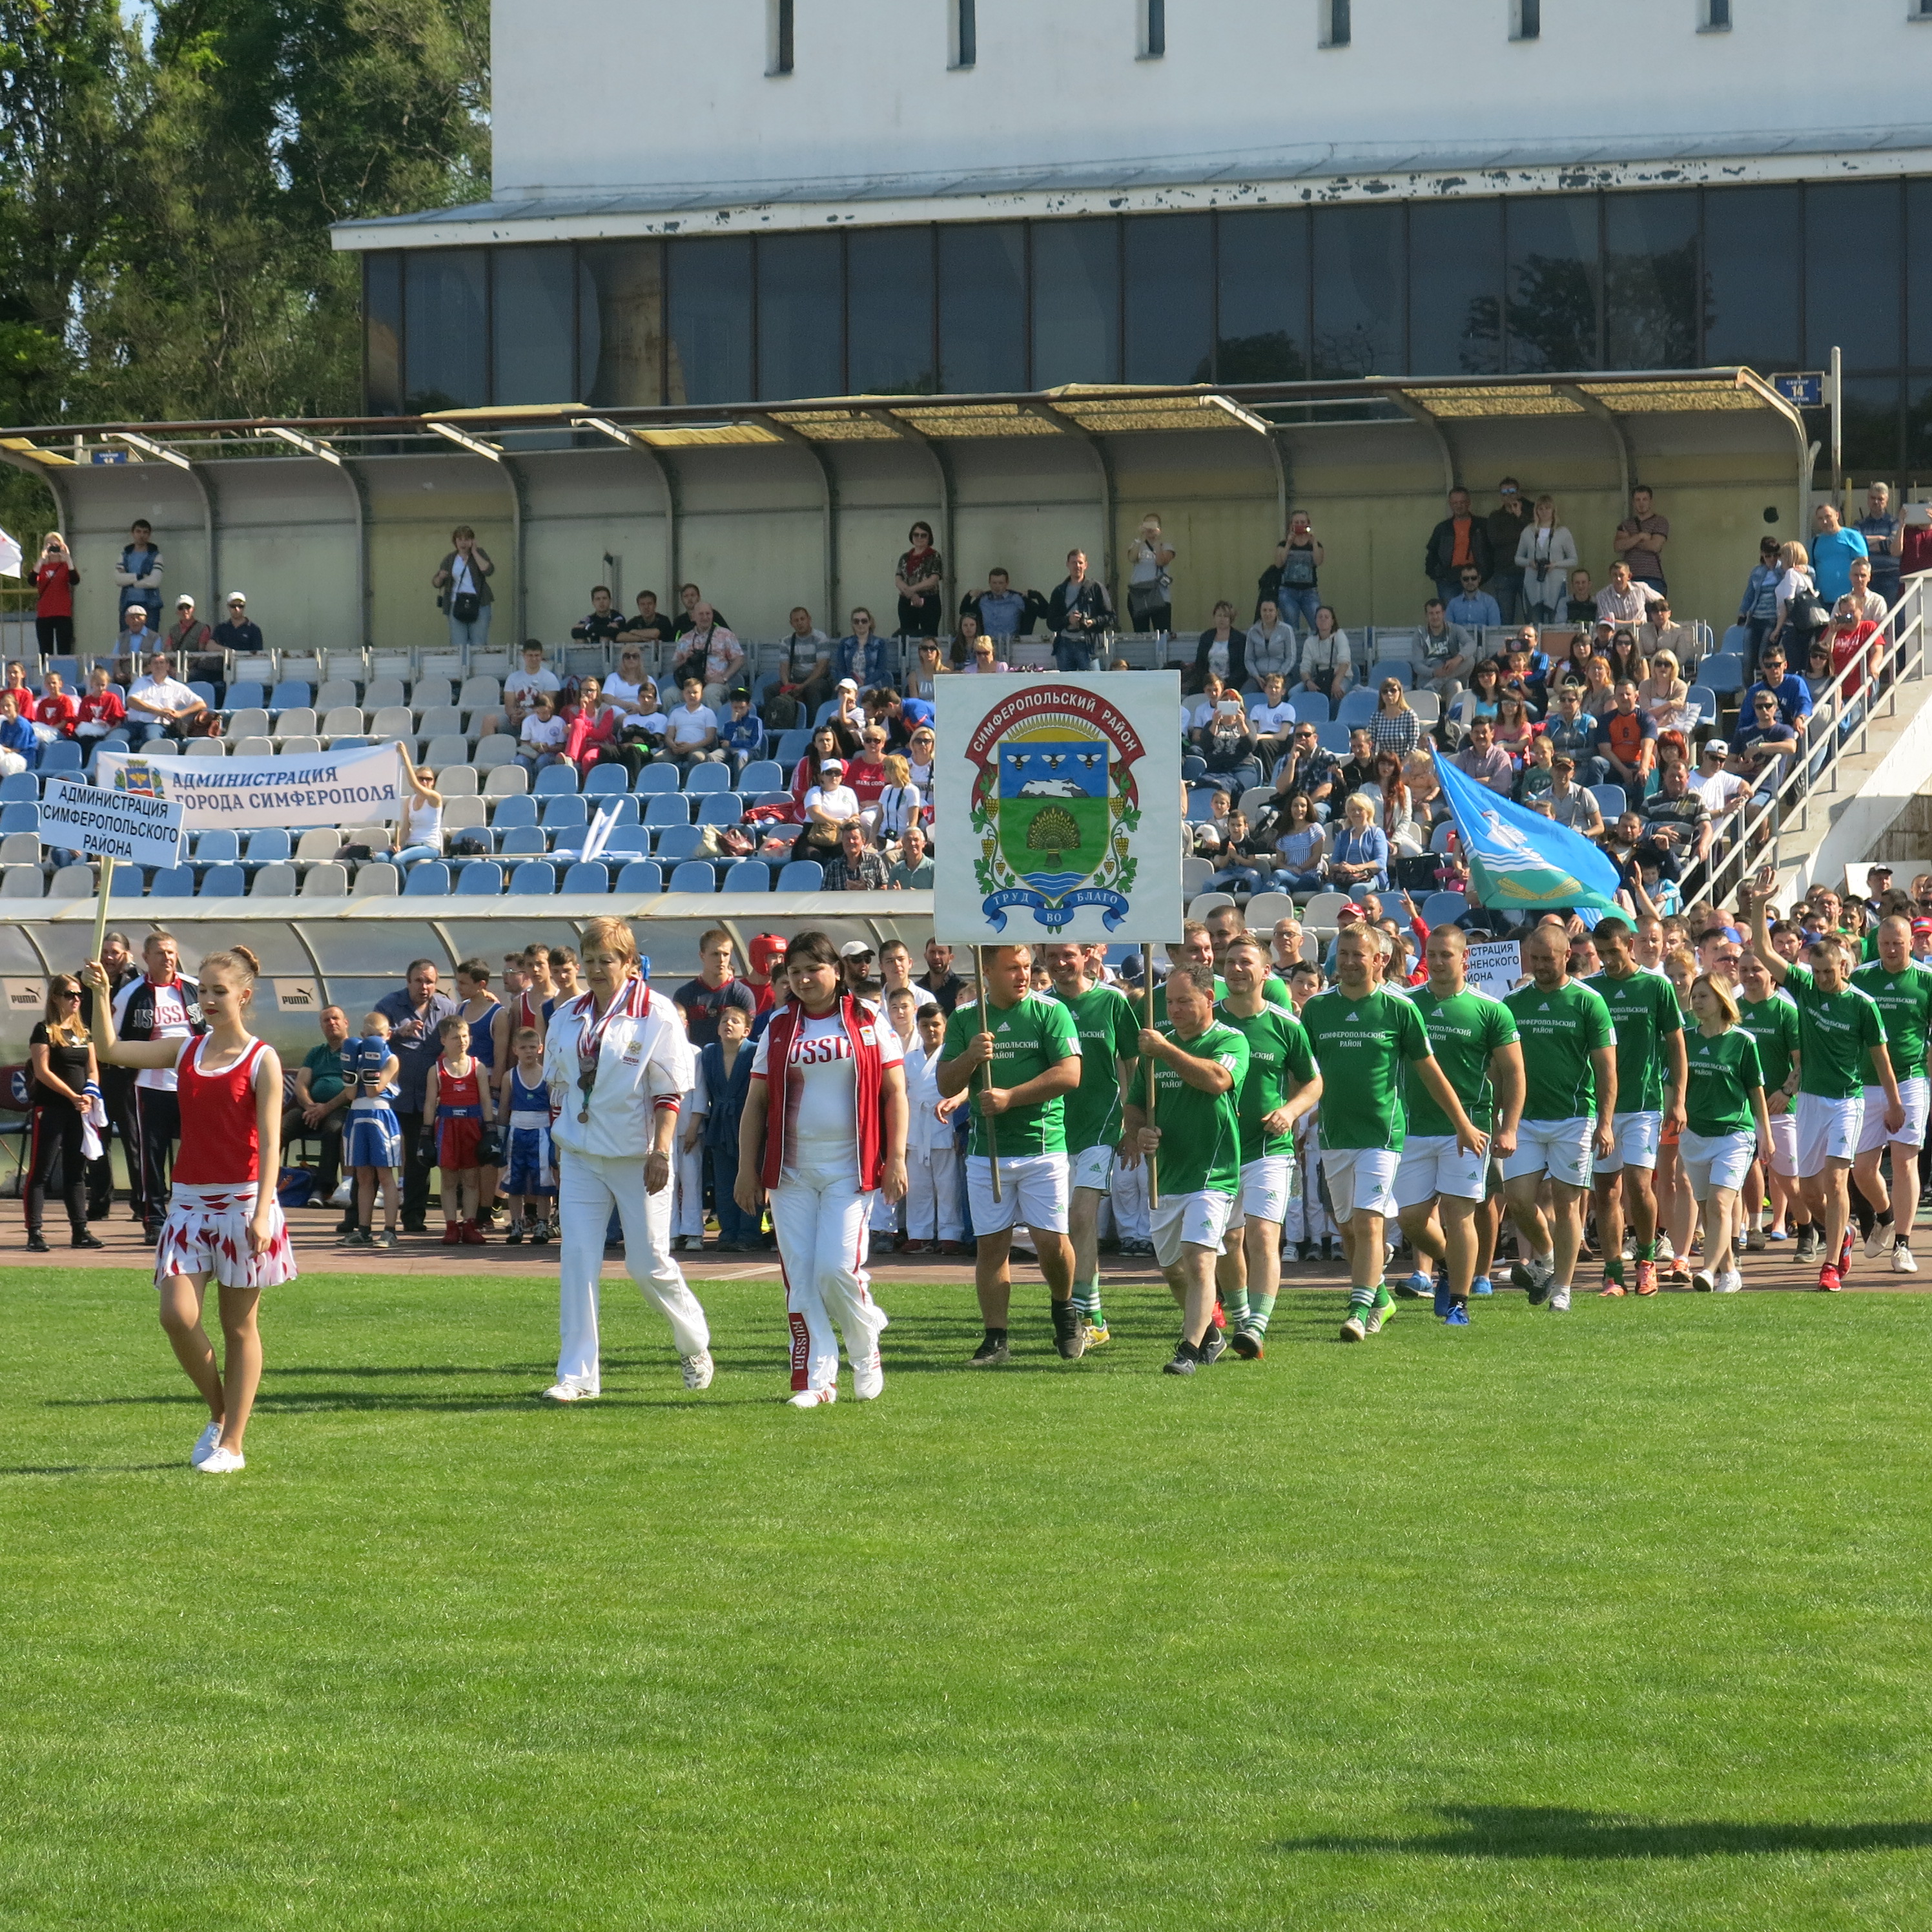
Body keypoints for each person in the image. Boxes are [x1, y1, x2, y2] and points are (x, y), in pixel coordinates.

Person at [84, 945, 292, 1476]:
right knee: (177, 1316)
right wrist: (102, 994)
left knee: (238, 1326)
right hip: (189, 1206)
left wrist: (264, 1210)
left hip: (245, 1203)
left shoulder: (262, 1058)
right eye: (203, 991)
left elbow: (271, 1143)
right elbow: (109, 1049)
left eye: (220, 991)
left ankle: (235, 1445)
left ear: (245, 996)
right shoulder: (184, 1050)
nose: (210, 999)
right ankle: (222, 1416)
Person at [542, 918, 714, 1400]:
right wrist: (560, 1143)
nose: (597, 970)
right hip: (580, 1157)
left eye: (607, 961)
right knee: (576, 1258)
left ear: (630, 963)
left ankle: (693, 1340)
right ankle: (577, 1376)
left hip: (639, 1160)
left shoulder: (656, 1013)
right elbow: (558, 1086)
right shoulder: (565, 1015)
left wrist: (661, 1152)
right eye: (590, 960)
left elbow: (670, 1092)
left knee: (648, 1264)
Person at [732, 930, 905, 1405]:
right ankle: (816, 1382)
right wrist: (748, 1170)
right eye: (796, 971)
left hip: (853, 1168)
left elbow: (895, 1094)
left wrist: (898, 1160)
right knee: (801, 1278)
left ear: (837, 971)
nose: (806, 979)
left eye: (815, 968)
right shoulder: (778, 1026)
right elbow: (756, 1102)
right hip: (791, 1173)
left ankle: (865, 1341)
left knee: (835, 1269)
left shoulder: (869, 1019)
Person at [1299, 923, 1482, 1337]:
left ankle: (1359, 1311)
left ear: (1380, 960)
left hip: (1383, 1135)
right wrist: (1295, 1117)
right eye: (1342, 954)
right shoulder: (1316, 1009)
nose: (1348, 962)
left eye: (1357, 955)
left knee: (1368, 1224)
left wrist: (1463, 1124)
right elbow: (1302, 1075)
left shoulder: (1400, 1009)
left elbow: (1431, 1073)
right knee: (1346, 1228)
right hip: (1334, 1134)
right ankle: (1381, 1299)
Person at [1742, 871, 1899, 1292]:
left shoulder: (1863, 1006)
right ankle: (1842, 1234)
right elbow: (1761, 949)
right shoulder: (1805, 988)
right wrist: (1758, 907)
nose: (1824, 978)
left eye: (1830, 971)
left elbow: (1881, 1060)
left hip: (1847, 1102)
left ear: (1844, 965)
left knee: (1835, 1180)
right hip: (1809, 1101)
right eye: (1818, 971)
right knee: (1809, 1193)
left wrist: (1895, 1103)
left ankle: (1830, 1266)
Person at [937, 943, 1084, 1364]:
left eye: (1026, 967)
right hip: (987, 1151)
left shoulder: (1049, 1011)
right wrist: (970, 1057)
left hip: (1042, 1147)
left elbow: (1070, 1073)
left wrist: (1010, 1098)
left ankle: (1064, 1308)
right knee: (991, 1246)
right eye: (1012, 968)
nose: (1022, 975)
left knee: (1050, 1243)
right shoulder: (967, 1018)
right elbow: (947, 1083)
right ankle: (996, 1337)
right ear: (987, 971)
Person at [1115, 963, 1246, 1376]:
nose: (1174, 1009)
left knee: (1199, 1257)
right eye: (1169, 1002)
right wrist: (1140, 1133)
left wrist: (1165, 1050)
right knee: (1173, 1269)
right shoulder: (1158, 1049)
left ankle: (1187, 1351)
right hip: (1166, 1173)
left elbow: (1217, 1080)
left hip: (1213, 1171)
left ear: (1209, 999)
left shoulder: (1229, 1039)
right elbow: (1133, 1107)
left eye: (1184, 1001)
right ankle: (1209, 1335)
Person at [1390, 926, 1522, 1322]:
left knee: (1459, 1211)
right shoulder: (1406, 1004)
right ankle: (1450, 1262)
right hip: (1412, 1126)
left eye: (1447, 955)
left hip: (1470, 1129)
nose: (1438, 962)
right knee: (1410, 1217)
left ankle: (1459, 1304)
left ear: (1464, 959)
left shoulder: (1491, 1009)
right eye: (1432, 954)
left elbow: (1514, 1072)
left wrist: (1509, 1127)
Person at [1500, 925, 1618, 1314]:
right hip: (1525, 1119)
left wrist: (1605, 1122)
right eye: (1533, 959)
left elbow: (1606, 1069)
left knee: (1569, 1205)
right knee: (1517, 1201)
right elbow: (1498, 1065)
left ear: (1567, 955)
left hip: (1574, 1118)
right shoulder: (1514, 1003)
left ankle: (1563, 1288)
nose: (1539, 966)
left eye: (1547, 959)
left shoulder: (1589, 1002)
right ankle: (1547, 1258)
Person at [1213, 933, 1321, 1355]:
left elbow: (1313, 1082)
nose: (1236, 969)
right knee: (1228, 1240)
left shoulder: (1285, 1024)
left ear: (1266, 971)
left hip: (1268, 1151)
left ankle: (1256, 1325)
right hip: (1219, 1148)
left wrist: (1291, 1112)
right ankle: (1240, 1317)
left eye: (1245, 962)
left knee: (1262, 1235)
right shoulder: (1208, 1022)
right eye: (1230, 962)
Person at [1043, 943, 1142, 1350]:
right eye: (1052, 956)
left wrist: (1132, 1119)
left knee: (1083, 1217)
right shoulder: (1041, 1006)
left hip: (1101, 1127)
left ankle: (1088, 1314)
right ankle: (1090, 1314)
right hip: (1050, 1130)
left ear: (1086, 955)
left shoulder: (1112, 1001)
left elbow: (1133, 1061)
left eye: (1069, 954)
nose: (1062, 963)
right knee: (1060, 1228)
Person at [1585, 916, 1687, 1297]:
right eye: (1601, 953)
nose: (1608, 960)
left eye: (1614, 951)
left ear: (1630, 944)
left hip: (1644, 1103)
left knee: (1640, 1184)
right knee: (1606, 1189)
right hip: (1599, 1107)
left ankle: (1647, 1260)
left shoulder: (1655, 985)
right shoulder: (1589, 991)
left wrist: (1678, 1099)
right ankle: (1613, 1272)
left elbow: (1676, 1044)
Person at [1678, 972, 1773, 1295]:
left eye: (1704, 995)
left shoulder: (1743, 1041)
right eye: (1695, 996)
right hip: (1694, 1134)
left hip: (1734, 1135)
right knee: (1706, 1207)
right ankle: (1730, 1271)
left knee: (1720, 1203)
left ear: (1721, 999)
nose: (1697, 1002)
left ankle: (1706, 1270)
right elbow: (1672, 1082)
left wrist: (1766, 1134)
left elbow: (1755, 1091)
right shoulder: (1685, 1039)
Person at [1849, 914, 1932, 1274]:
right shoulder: (1862, 978)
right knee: (1863, 1169)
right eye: (1885, 944)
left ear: (1911, 942)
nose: (1892, 950)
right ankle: (1884, 1214)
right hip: (1865, 1082)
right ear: (1877, 944)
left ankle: (1902, 1243)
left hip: (1911, 1080)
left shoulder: (1926, 981)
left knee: (1904, 1162)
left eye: (1898, 943)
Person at [113, 932, 205, 1240]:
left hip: (192, 1085)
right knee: (151, 1155)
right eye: (161, 953)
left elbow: (215, 1029)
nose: (167, 958)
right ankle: (154, 1219)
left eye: (171, 952)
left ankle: (194, 1212)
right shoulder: (131, 994)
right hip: (150, 1086)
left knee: (196, 1149)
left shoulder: (193, 988)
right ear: (146, 958)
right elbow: (114, 1040)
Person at [374, 960, 460, 1234]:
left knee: (419, 1158)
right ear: (407, 981)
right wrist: (398, 1033)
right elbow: (371, 1039)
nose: (424, 987)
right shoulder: (389, 1006)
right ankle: (359, 1218)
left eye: (430, 981)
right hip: (392, 1098)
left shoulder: (447, 1008)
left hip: (428, 1100)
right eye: (419, 981)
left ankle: (413, 1217)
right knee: (379, 1157)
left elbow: (460, 1040)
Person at [25, 975, 103, 1252]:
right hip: (52, 1108)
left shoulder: (84, 1032)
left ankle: (80, 1230)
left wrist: (90, 1093)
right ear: (56, 997)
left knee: (76, 1171)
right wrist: (71, 1096)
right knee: (41, 1171)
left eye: (79, 995)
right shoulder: (44, 1031)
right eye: (70, 994)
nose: (76, 1000)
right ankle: (35, 1232)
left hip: (78, 1112)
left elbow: (92, 1068)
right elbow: (42, 1072)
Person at [1738, 948, 1807, 1254]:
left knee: (1788, 1180)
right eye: (1745, 970)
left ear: (1772, 976)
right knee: (1741, 1174)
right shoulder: (1731, 1009)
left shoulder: (1786, 1012)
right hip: (1740, 1110)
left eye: (1757, 969)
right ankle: (1745, 1234)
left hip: (1780, 1109)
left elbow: (1802, 1061)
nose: (1751, 976)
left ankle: (1807, 1230)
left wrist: (1786, 1091)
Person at [901, 1002, 965, 1253]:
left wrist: (959, 1126)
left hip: (944, 1125)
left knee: (948, 1185)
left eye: (936, 1024)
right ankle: (920, 1234)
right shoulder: (909, 1059)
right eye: (925, 1025)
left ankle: (951, 1234)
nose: (930, 1030)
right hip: (916, 1127)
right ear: (918, 1028)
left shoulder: (954, 1056)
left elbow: (963, 1090)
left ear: (945, 1027)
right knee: (918, 1186)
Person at [425, 1015, 492, 1245]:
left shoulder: (477, 1067)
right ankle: (451, 1226)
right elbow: (429, 1102)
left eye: (465, 1036)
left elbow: (485, 1099)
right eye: (455, 1037)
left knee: (472, 1178)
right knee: (449, 1179)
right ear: (444, 1040)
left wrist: (490, 1129)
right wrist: (426, 1133)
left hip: (472, 1126)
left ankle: (470, 1224)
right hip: (447, 1126)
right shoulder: (436, 1069)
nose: (461, 1041)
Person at [342, 1016, 403, 1249]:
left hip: (380, 1117)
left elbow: (372, 1090)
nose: (372, 1040)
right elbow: (349, 1096)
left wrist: (370, 1060)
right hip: (357, 1118)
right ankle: (363, 1230)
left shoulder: (392, 1060)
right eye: (368, 1036)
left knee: (385, 1176)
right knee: (364, 1177)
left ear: (388, 1035)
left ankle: (390, 1231)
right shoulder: (356, 1058)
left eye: (377, 1036)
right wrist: (350, 1067)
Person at [289, 1005, 355, 1221]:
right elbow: (301, 1083)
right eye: (326, 1020)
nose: (331, 1023)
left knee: (333, 1130)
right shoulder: (316, 1053)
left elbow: (352, 1090)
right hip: (312, 1108)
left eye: (336, 1019)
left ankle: (323, 1188)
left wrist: (326, 1108)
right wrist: (309, 1106)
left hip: (342, 1109)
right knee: (279, 1128)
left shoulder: (355, 1050)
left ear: (346, 1023)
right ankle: (265, 1183)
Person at [500, 1027, 556, 1245]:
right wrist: (500, 1137)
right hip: (517, 1131)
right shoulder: (510, 1077)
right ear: (515, 1050)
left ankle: (542, 1223)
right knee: (514, 1180)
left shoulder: (548, 1075)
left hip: (542, 1131)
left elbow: (554, 1106)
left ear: (540, 1049)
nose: (528, 1052)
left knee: (544, 1179)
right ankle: (516, 1223)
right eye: (523, 1048)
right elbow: (504, 1108)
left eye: (533, 1047)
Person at [1046, 550, 1115, 673]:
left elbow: (1110, 617)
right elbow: (1051, 622)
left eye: (1080, 562)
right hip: (1064, 646)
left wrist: (1092, 621)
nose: (1077, 566)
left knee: (1092, 687)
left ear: (1086, 565)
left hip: (1088, 645)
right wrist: (1068, 620)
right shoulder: (1059, 591)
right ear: (1067, 564)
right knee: (1066, 688)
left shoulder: (1095, 588)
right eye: (1073, 563)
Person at [1424, 488, 1493, 607]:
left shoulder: (1482, 526)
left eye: (1462, 502)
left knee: (1476, 616)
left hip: (1477, 578)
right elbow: (1432, 553)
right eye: (1455, 503)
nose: (1459, 506)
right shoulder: (1442, 528)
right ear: (1450, 504)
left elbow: (1492, 551)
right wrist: (1438, 574)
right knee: (1451, 618)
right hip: (1449, 578)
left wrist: (1486, 573)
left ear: (1468, 502)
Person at [1516, 493, 1577, 622]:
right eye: (1541, 508)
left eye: (1547, 508)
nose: (1544, 512)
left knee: (1555, 622)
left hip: (1556, 583)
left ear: (1553, 510)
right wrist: (1530, 562)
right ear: (1536, 511)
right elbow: (1518, 558)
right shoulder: (1528, 531)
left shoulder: (1562, 532)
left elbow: (1573, 559)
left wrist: (1555, 565)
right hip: (1533, 584)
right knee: (1534, 623)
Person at [432, 526, 494, 652]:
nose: (463, 543)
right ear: (455, 541)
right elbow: (436, 583)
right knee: (458, 644)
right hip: (456, 603)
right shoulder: (450, 559)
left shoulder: (479, 553)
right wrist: (440, 576)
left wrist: (475, 552)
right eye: (459, 539)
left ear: (472, 541)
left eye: (467, 539)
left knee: (479, 643)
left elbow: (488, 570)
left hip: (479, 603)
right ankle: (461, 670)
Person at [126, 652, 207, 746]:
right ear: (150, 667)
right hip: (133, 724)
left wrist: (181, 713)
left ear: (167, 666)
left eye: (162, 663)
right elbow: (131, 701)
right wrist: (158, 712)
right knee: (114, 739)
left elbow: (201, 704)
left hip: (156, 724)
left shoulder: (177, 686)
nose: (159, 666)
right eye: (155, 663)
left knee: (152, 742)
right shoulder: (141, 681)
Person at [1809, 502, 1869, 606]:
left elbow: (1864, 567)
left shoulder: (1853, 537)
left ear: (1837, 515)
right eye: (1820, 518)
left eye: (1828, 517)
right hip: (1821, 601)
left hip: (1849, 601)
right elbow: (1810, 569)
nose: (1825, 521)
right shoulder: (1815, 542)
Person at [1614, 484, 1670, 594]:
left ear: (1650, 501)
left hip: (1653, 576)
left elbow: (1655, 546)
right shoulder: (1626, 524)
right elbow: (1618, 546)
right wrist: (1640, 536)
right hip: (1629, 577)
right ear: (1633, 502)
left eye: (1645, 499)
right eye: (1638, 500)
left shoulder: (1660, 521)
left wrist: (1630, 540)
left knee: (1654, 611)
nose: (1641, 503)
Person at [1856, 481, 1903, 608]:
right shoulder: (1859, 524)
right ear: (1868, 499)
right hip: (1866, 578)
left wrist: (1866, 544)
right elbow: (1856, 545)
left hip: (1890, 577)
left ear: (1886, 500)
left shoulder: (1895, 523)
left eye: (1880, 499)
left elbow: (1893, 544)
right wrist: (1881, 539)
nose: (1876, 502)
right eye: (1873, 498)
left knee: (1889, 615)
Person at [894, 521, 945, 638]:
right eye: (916, 535)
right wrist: (912, 595)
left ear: (929, 537)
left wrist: (912, 590)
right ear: (912, 537)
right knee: (906, 635)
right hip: (907, 601)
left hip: (929, 601)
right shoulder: (905, 557)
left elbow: (933, 580)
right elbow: (898, 580)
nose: (919, 538)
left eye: (923, 535)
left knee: (929, 635)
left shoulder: (934, 556)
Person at [33, 533, 79, 657]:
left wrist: (68, 558)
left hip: (63, 614)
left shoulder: (65, 566)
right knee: (45, 652)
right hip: (44, 614)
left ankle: (64, 674)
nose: (53, 547)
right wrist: (42, 559)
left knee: (64, 650)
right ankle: (47, 674)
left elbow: (75, 580)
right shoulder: (42, 566)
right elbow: (32, 581)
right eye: (50, 545)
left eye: (56, 545)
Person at [115, 517, 163, 630]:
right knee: (126, 640)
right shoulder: (125, 555)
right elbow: (118, 579)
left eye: (145, 532)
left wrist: (129, 581)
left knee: (150, 640)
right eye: (138, 532)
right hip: (127, 603)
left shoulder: (156, 555)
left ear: (149, 535)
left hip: (150, 605)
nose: (142, 535)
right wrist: (140, 576)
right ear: (133, 533)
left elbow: (155, 581)